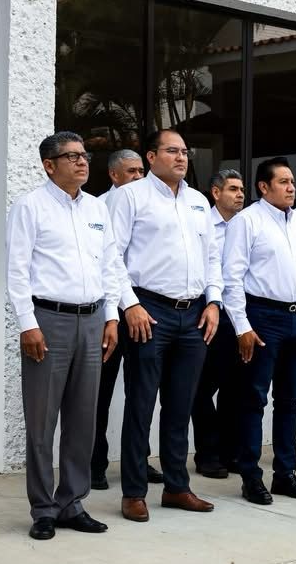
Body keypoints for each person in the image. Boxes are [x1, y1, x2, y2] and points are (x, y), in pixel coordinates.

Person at [6, 131, 123, 540]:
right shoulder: (30, 206)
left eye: (84, 155)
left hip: (92, 320)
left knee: (83, 418)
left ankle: (72, 502)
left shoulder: (96, 208)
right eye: (71, 156)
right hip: (48, 320)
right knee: (42, 421)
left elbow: (111, 265)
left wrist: (112, 317)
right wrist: (27, 323)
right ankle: (43, 508)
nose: (82, 162)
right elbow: (17, 269)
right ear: (49, 165)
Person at [109, 129, 221, 522]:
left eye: (184, 152)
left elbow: (213, 257)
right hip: (149, 310)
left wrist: (214, 302)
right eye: (172, 151)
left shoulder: (198, 201)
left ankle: (176, 487)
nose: (181, 157)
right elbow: (111, 256)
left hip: (194, 314)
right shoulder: (130, 196)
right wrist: (130, 305)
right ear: (151, 156)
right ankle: (133, 492)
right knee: (140, 404)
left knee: (180, 405)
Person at [222, 157, 296, 505]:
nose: (291, 188)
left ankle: (285, 473)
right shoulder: (247, 221)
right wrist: (242, 326)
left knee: (290, 400)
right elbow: (231, 277)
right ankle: (251, 476)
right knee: (254, 398)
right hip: (262, 316)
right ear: (264, 187)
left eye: (292, 182)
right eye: (283, 182)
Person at [90, 149, 162, 490]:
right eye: (131, 171)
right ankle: (94, 463)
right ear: (113, 175)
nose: (137, 176)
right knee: (101, 389)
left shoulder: (150, 204)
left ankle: (138, 460)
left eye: (140, 171)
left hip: (145, 307)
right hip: (111, 308)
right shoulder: (97, 207)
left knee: (141, 390)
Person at [191, 169, 245, 479]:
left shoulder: (246, 225)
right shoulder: (202, 223)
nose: (240, 195)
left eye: (242, 189)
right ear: (215, 193)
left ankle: (229, 452)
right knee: (201, 388)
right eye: (233, 189)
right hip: (208, 312)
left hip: (239, 314)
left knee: (234, 388)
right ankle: (208, 454)